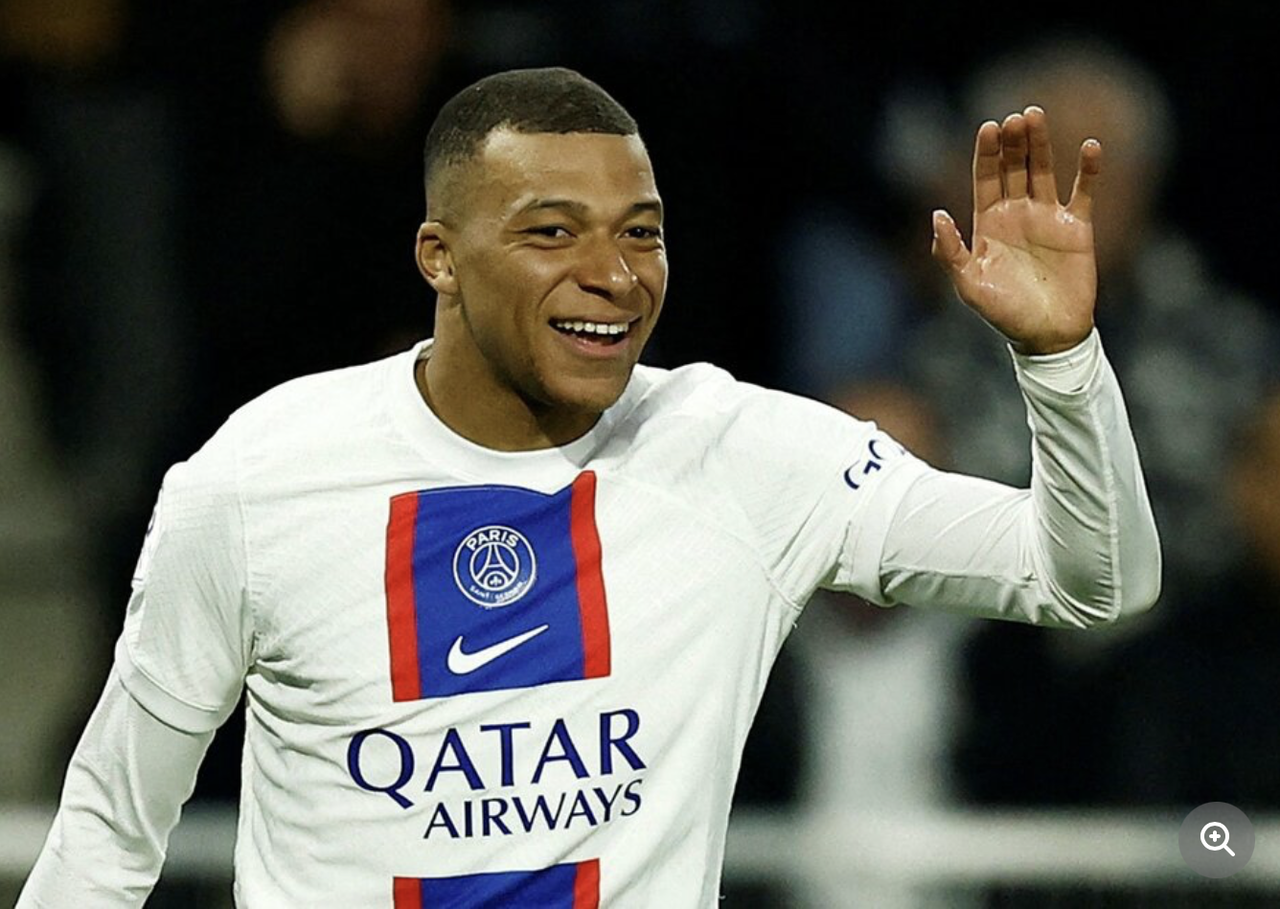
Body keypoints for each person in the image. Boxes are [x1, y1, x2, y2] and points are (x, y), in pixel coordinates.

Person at [18, 67, 1160, 907]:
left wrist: (1058, 359)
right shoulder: (257, 482)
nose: (611, 274)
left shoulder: (744, 458)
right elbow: (109, 833)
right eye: (552, 231)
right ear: (439, 257)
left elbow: (1093, 583)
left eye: (640, 232)